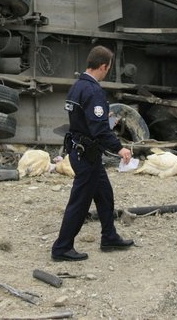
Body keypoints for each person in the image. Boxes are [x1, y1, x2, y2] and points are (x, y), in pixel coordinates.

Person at [51, 45, 134, 262]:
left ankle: (109, 236)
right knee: (79, 203)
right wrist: (120, 147)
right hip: (86, 155)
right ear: (104, 66)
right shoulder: (93, 91)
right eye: (108, 68)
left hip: (83, 153)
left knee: (105, 194)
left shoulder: (77, 87)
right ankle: (61, 248)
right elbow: (99, 128)